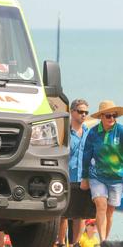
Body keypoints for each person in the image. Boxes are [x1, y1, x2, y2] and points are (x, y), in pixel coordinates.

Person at [80, 100, 123, 243]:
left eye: (114, 116)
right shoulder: (93, 133)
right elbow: (86, 155)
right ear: (101, 117)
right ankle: (103, 239)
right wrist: (84, 178)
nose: (112, 119)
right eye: (108, 116)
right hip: (97, 176)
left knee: (110, 211)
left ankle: (105, 241)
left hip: (117, 177)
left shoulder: (121, 131)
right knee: (101, 204)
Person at [57, 99, 90, 246]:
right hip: (66, 176)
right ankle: (60, 242)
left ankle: (75, 244)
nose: (83, 115)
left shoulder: (89, 133)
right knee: (62, 213)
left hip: (82, 178)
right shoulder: (64, 132)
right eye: (80, 111)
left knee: (80, 214)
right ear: (72, 112)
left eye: (86, 112)